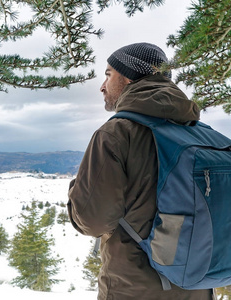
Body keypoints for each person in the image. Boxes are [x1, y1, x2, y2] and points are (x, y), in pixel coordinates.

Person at [67, 43, 215, 299]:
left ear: (127, 77)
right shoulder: (202, 134)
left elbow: (92, 221)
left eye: (108, 74)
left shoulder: (115, 134)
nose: (102, 86)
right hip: (199, 288)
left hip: (133, 288)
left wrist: (76, 190)